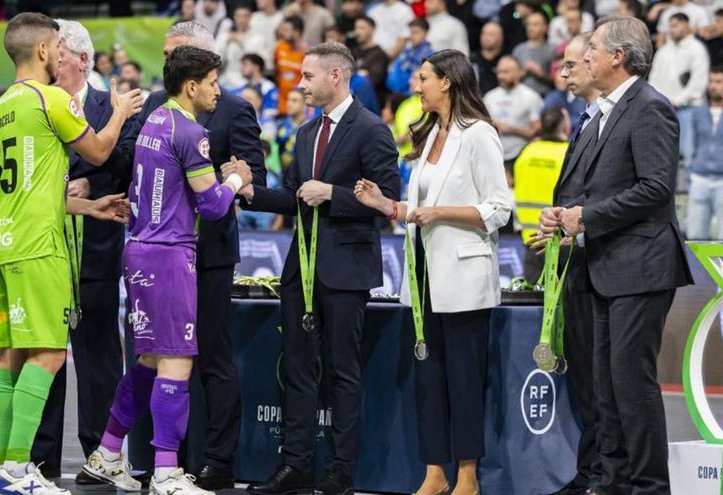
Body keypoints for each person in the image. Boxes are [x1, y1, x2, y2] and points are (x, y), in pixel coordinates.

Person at [0, 13, 142, 495]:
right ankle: (16, 471)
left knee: (11, 357)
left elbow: (31, 184)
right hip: (39, 246)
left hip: (1, 241)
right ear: (45, 51)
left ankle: (5, 467)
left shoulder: (5, 105)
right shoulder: (49, 97)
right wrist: (117, 112)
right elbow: (96, 152)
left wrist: (87, 206)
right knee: (48, 356)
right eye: (54, 45)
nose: (57, 52)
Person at [82, 45, 253, 495]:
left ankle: (107, 451)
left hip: (138, 251)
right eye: (213, 83)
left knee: (148, 361)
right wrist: (237, 177)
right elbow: (214, 205)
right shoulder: (192, 131)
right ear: (192, 86)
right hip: (170, 255)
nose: (219, 90)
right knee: (176, 362)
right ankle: (166, 473)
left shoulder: (154, 120)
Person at [237, 42, 400, 495]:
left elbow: (385, 200)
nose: (300, 84)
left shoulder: (372, 130)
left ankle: (341, 471)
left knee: (344, 373)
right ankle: (296, 465)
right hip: (301, 270)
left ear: (336, 76)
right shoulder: (307, 133)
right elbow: (294, 194)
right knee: (296, 369)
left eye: (307, 77)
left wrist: (333, 194)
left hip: (347, 271)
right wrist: (251, 191)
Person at [542, 16, 694, 494]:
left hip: (642, 267)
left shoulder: (650, 108)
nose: (584, 57)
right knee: (605, 388)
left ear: (618, 56)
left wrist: (584, 218)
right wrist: (565, 216)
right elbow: (597, 189)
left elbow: (654, 188)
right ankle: (612, 481)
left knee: (631, 386)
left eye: (592, 48)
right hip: (604, 266)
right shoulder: (605, 112)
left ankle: (650, 487)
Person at [353, 49, 510, 495]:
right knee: (428, 377)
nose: (415, 87)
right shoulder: (428, 137)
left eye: (423, 78)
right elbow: (417, 212)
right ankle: (434, 472)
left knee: (462, 378)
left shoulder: (479, 134)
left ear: (448, 82)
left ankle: (467, 475)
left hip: (463, 278)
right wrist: (386, 206)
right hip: (422, 275)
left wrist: (438, 212)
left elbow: (499, 209)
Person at [124, 21, 265, 490]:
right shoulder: (163, 114)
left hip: (208, 255)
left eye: (174, 52)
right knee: (162, 360)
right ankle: (164, 463)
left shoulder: (233, 110)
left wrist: (236, 180)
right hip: (172, 252)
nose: (166, 61)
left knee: (213, 359)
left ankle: (216, 461)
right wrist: (224, 182)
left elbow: (253, 178)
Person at [29, 18, 141, 478]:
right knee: (44, 352)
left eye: (56, 54)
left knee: (97, 355)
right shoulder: (35, 103)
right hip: (47, 247)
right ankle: (41, 457)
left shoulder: (112, 106)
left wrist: (89, 181)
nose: (49, 62)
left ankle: (101, 454)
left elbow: (127, 160)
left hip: (96, 247)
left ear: (79, 58)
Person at [535, 32, 604, 495]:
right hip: (577, 261)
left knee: (607, 384)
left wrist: (579, 216)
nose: (563, 74)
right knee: (584, 378)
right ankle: (592, 472)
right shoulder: (584, 119)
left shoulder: (628, 116)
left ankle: (608, 476)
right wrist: (557, 214)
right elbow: (577, 190)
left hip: (610, 263)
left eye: (572, 66)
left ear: (597, 65)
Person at [648, 13, 710, 171]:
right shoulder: (663, 52)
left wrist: (675, 101)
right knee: (663, 156)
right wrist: (662, 101)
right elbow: (653, 80)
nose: (671, 29)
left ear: (687, 25)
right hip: (664, 110)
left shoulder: (697, 49)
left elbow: (699, 84)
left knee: (690, 154)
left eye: (675, 25)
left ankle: (692, 194)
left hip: (689, 110)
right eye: (670, 26)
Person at [514, 107, 570, 282]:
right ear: (565, 128)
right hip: (561, 241)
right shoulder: (569, 154)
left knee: (534, 303)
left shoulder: (526, 153)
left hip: (531, 241)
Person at [483, 56, 543, 173]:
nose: (501, 76)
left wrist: (511, 129)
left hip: (520, 154)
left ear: (519, 72)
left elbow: (537, 132)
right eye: (499, 72)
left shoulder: (531, 96)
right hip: (494, 155)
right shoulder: (489, 97)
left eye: (505, 72)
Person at [685, 66, 723, 239]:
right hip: (699, 178)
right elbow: (690, 145)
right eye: (712, 81)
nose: (714, 86)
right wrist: (690, 173)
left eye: (719, 81)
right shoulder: (698, 112)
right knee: (695, 238)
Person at [386, 18, 434, 95]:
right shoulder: (405, 51)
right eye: (411, 33)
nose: (411, 36)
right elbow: (394, 72)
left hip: (413, 94)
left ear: (426, 34)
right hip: (395, 91)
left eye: (415, 33)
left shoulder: (430, 55)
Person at [513, 12, 557, 95]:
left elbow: (558, 81)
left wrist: (540, 74)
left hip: (545, 95)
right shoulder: (518, 50)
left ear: (545, 27)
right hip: (521, 96)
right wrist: (524, 72)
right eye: (528, 25)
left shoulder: (553, 49)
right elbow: (511, 78)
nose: (530, 28)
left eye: (535, 25)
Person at [216, 5, 258, 89]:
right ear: (234, 17)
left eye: (245, 16)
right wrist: (225, 41)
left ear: (250, 18)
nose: (242, 20)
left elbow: (257, 62)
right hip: (225, 81)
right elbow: (216, 58)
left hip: (246, 83)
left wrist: (242, 42)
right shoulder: (225, 36)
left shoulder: (257, 38)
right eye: (239, 16)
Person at [351, 16, 390, 103]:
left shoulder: (379, 54)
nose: (357, 32)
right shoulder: (352, 51)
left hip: (372, 101)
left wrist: (355, 74)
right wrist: (360, 73)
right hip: (352, 98)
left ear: (372, 29)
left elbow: (374, 80)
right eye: (356, 28)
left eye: (362, 28)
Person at [275, 17, 308, 115]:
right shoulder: (280, 47)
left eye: (286, 30)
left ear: (297, 32)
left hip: (300, 106)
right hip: (281, 105)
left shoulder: (308, 53)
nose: (282, 33)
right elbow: (276, 71)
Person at [234, 53, 280, 121]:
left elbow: (270, 113)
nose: (241, 68)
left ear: (256, 67)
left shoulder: (269, 88)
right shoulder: (241, 87)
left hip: (262, 125)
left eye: (245, 65)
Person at [247, 0, 284, 72]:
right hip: (255, 65)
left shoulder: (282, 18)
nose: (257, 1)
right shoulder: (254, 17)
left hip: (275, 65)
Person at [471, 22, 504, 94]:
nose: (486, 37)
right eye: (484, 33)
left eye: (491, 34)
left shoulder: (505, 61)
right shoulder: (471, 60)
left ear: (501, 38)